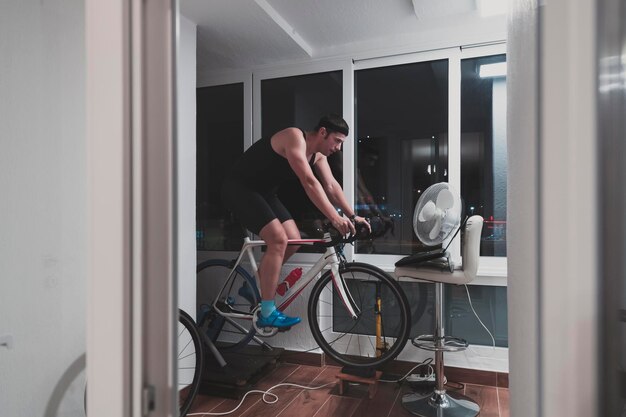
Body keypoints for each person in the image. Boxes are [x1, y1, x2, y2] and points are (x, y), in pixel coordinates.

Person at [221, 114, 371, 329]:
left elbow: (331, 186)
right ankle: (267, 312)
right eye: (337, 141)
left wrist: (352, 216)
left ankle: (253, 286)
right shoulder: (294, 137)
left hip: (264, 193)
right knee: (278, 240)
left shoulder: (318, 156)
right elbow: (309, 182)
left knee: (294, 239)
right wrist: (335, 218)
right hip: (240, 188)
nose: (338, 147)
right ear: (322, 132)